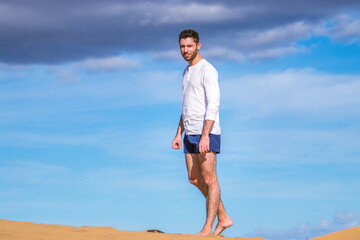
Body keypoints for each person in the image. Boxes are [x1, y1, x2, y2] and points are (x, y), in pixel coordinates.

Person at [172, 29, 233, 236]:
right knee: (194, 179)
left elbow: (213, 104)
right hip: (189, 132)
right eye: (182, 46)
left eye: (189, 46)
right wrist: (178, 133)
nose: (185, 50)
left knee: (210, 180)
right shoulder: (186, 72)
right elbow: (186, 106)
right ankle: (223, 217)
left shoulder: (208, 69)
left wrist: (206, 134)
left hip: (206, 131)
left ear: (198, 45)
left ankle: (208, 227)